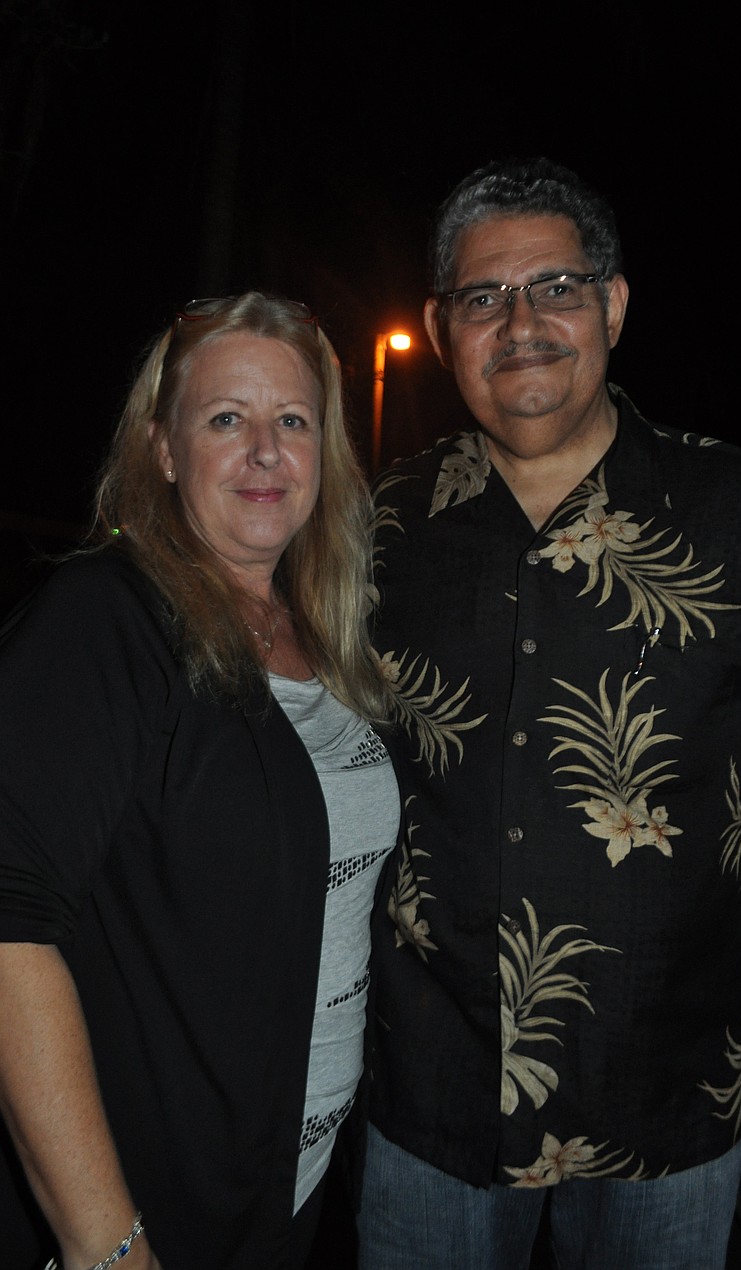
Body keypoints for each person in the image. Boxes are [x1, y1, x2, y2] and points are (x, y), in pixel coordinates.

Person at [357, 157, 741, 1269]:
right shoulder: (379, 526)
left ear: (614, 306)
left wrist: (696, 834)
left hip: (668, 1089)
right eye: (483, 297)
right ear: (440, 330)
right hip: (433, 1090)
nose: (520, 324)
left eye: (556, 287)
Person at [0, 292, 400, 1270]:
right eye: (226, 418)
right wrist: (108, 1245)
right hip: (148, 1204)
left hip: (286, 1188)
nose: (265, 451)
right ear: (163, 451)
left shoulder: (321, 634)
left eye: (292, 421)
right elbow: (8, 927)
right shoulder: (104, 618)